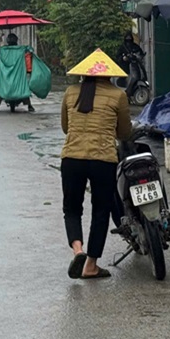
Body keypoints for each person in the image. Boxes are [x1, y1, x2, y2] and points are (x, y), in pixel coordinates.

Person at [60, 49, 132, 280]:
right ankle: (91, 265)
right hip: (103, 160)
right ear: (109, 75)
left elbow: (65, 127)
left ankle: (78, 250)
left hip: (72, 158)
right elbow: (124, 132)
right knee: (101, 211)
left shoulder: (71, 92)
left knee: (72, 208)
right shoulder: (117, 95)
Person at [0, 33, 34, 112]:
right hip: (18, 78)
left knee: (0, 89)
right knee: (24, 88)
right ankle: (29, 106)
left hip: (5, 77)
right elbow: (28, 63)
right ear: (16, 41)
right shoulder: (22, 50)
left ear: (7, 41)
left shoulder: (1, 50)